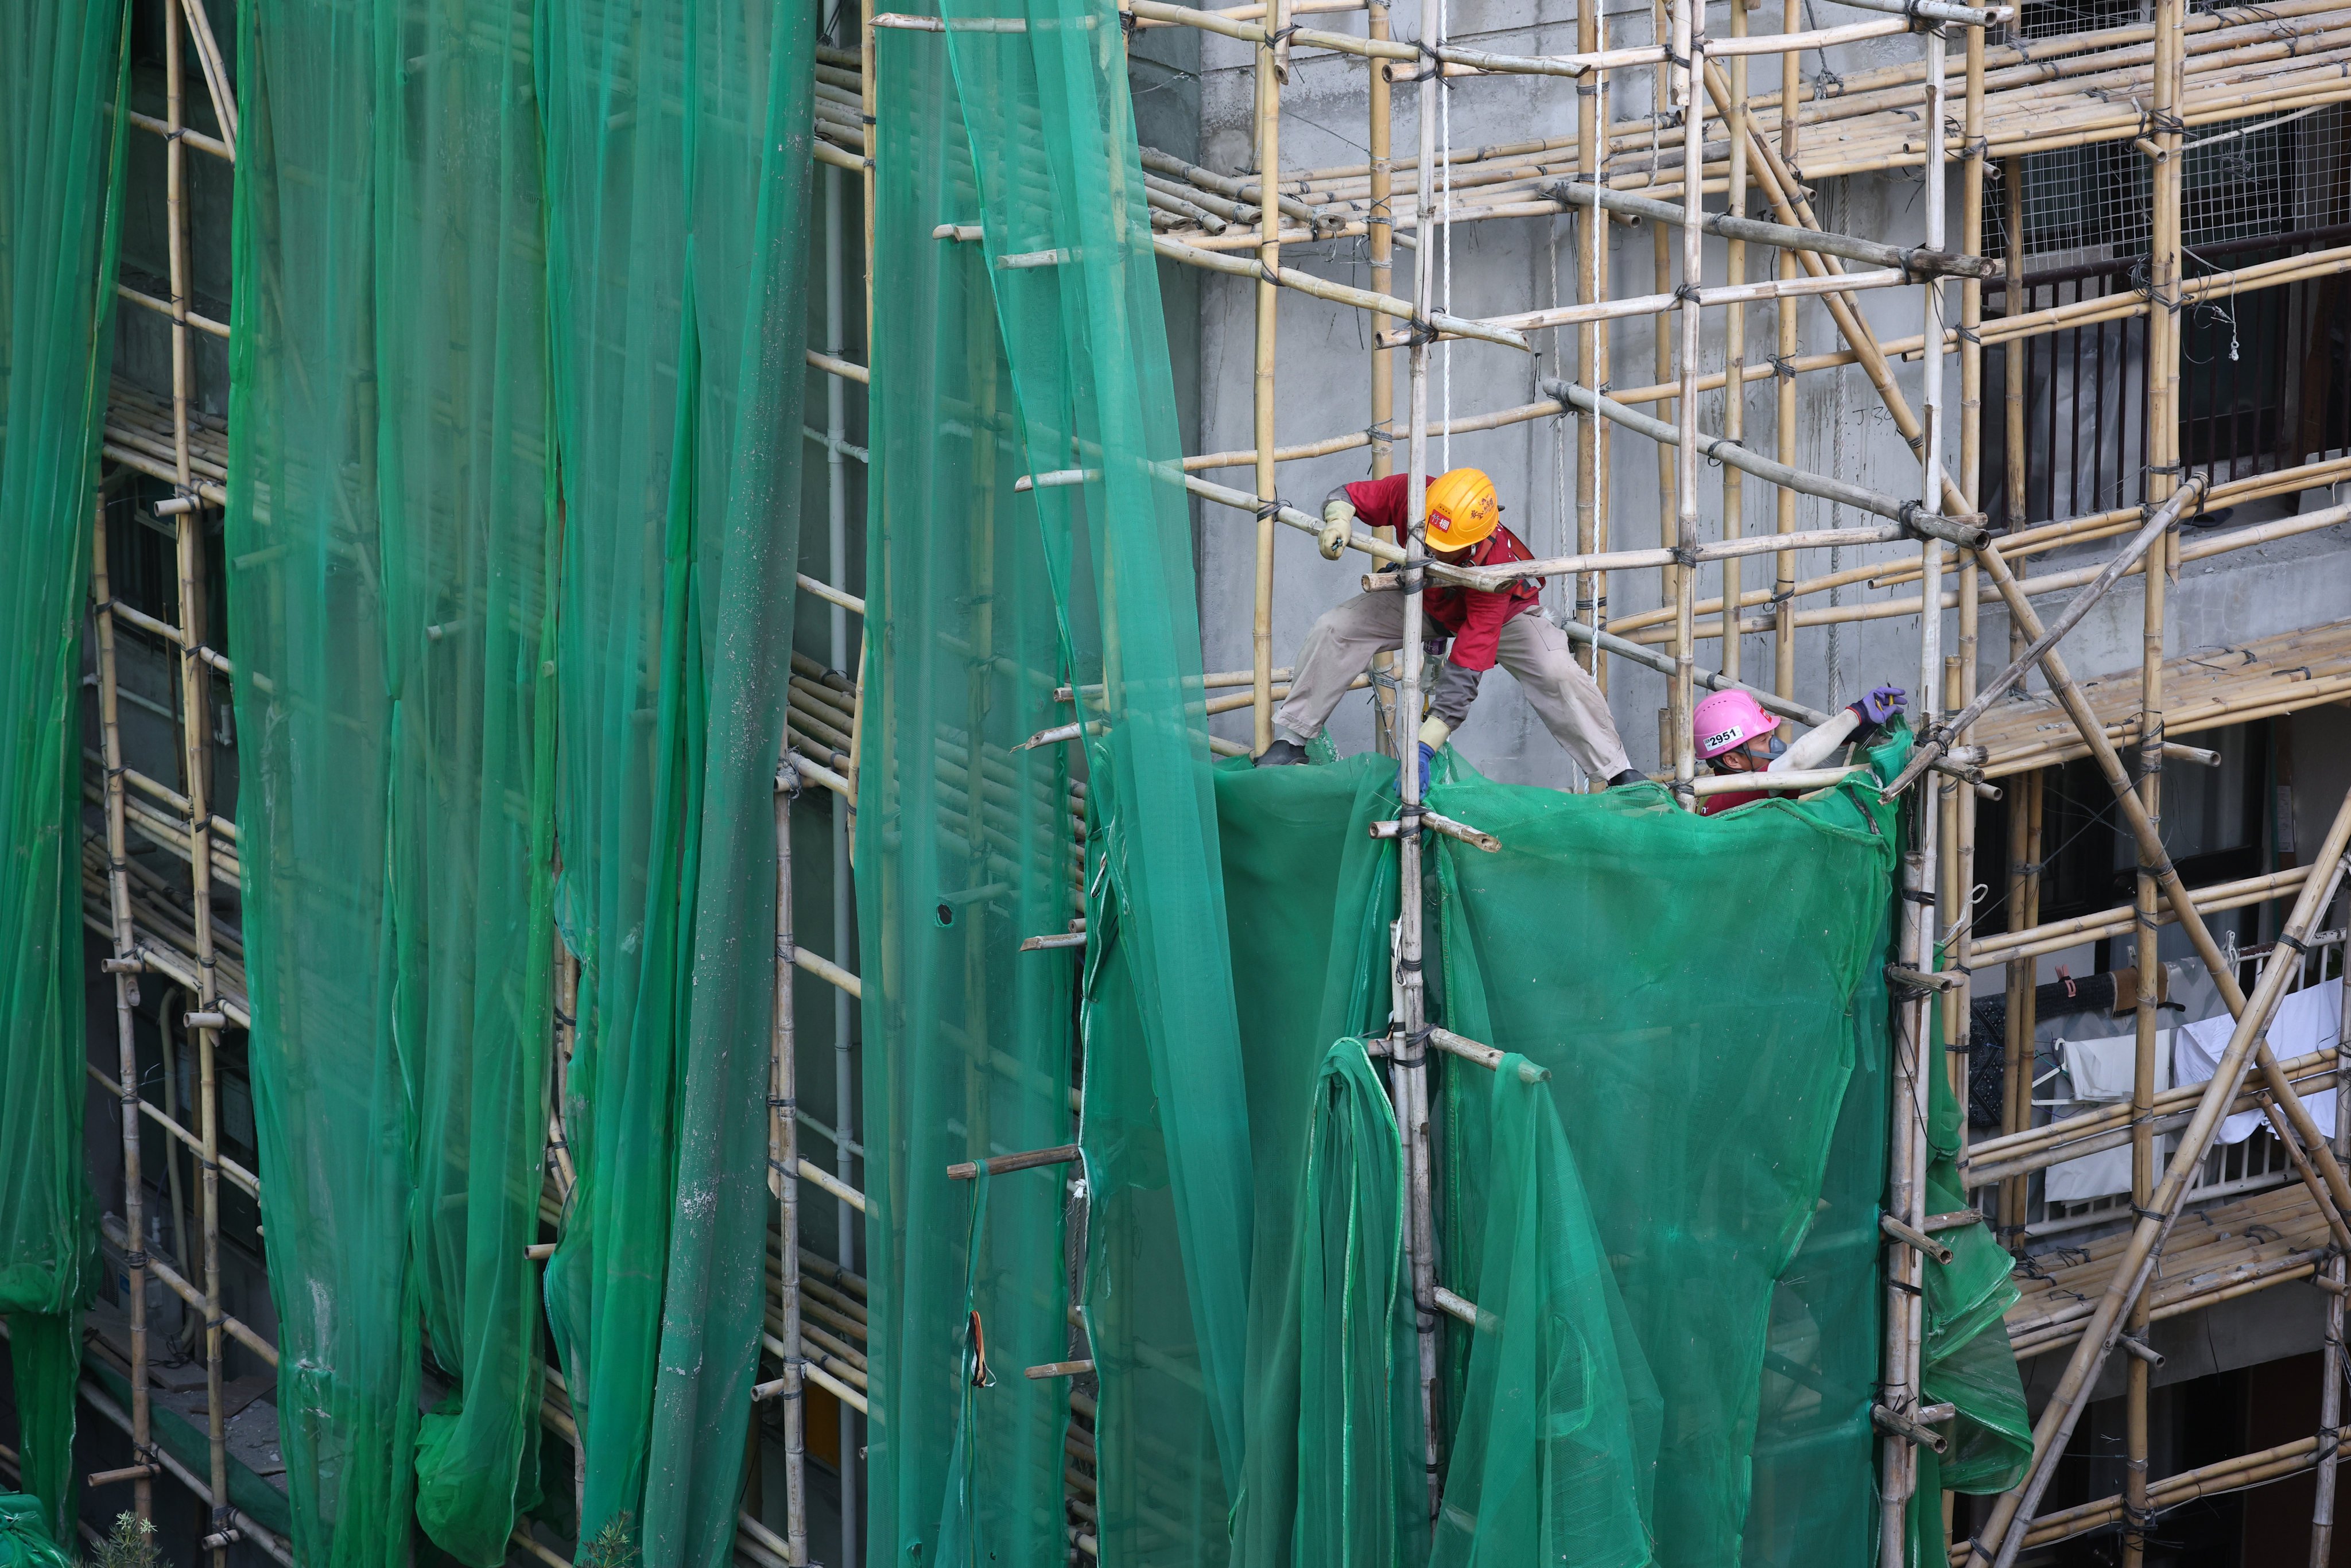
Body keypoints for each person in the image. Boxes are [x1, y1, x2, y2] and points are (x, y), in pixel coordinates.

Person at [1254, 466, 1644, 789]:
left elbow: (1467, 668)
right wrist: (1337, 520)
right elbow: (1348, 494)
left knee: (1556, 672)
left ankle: (1617, 772)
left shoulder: (1495, 567)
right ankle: (1292, 740)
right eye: (1428, 535)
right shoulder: (1417, 494)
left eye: (1444, 545)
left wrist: (1424, 748)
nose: (1430, 546)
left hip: (1505, 616)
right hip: (1426, 598)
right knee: (1336, 627)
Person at [1690, 684, 1907, 816]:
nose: (1774, 744)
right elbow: (1797, 760)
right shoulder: (1728, 797)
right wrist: (1854, 715)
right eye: (1762, 740)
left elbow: (1815, 773)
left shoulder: (1745, 781)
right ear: (1732, 761)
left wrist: (1844, 739)